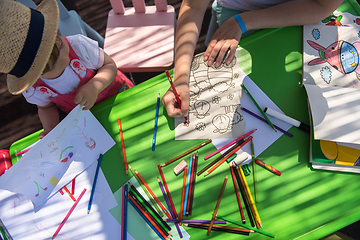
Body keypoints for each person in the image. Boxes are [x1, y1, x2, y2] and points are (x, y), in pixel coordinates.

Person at [161, 0, 343, 118]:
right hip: (234, 9)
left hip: (298, 11)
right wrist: (181, 77)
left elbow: (321, 5)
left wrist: (244, 21)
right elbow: (194, 6)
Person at [0, 0, 133, 139]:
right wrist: (51, 128)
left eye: (60, 44)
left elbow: (109, 65)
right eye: (54, 64)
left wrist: (95, 85)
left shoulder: (79, 46)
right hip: (91, 122)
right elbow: (45, 107)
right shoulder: (34, 88)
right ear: (34, 75)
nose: (65, 58)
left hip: (120, 95)